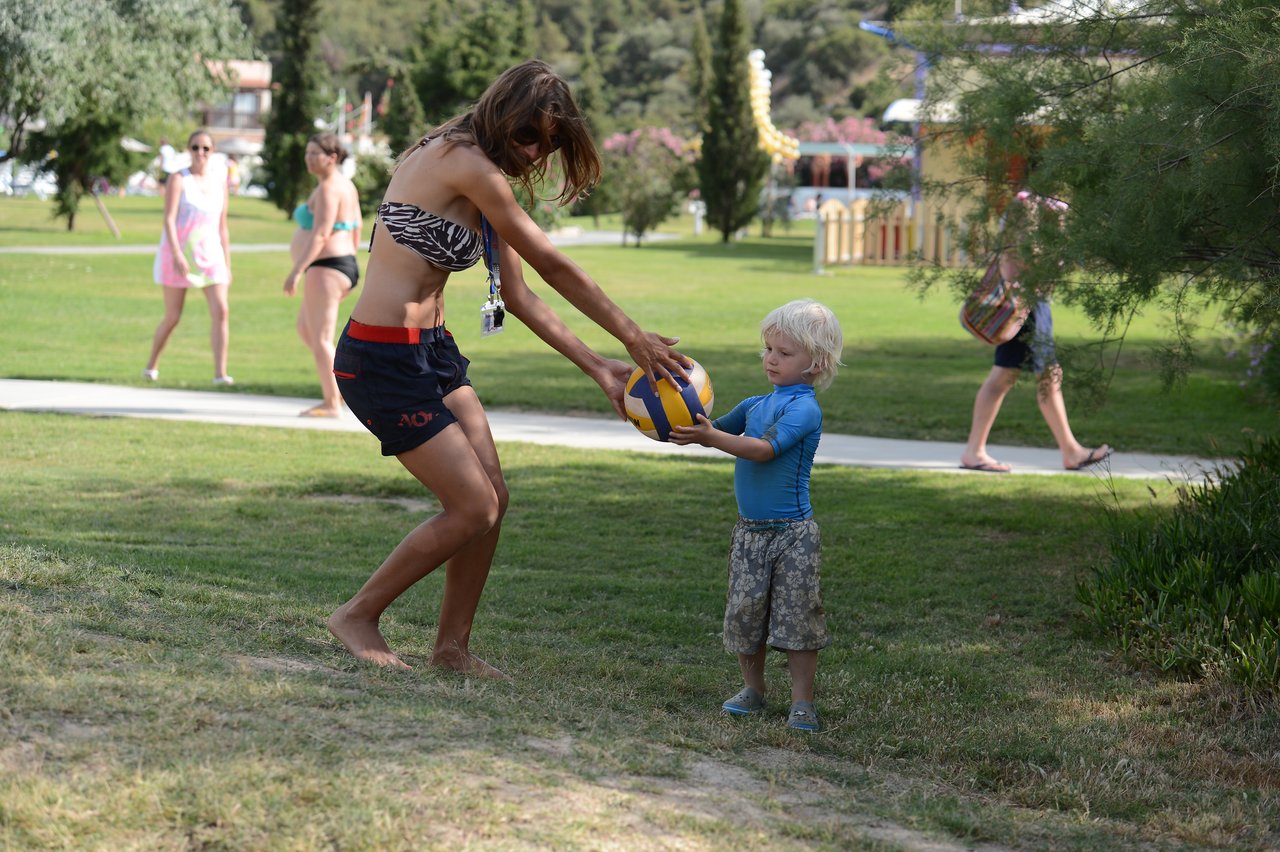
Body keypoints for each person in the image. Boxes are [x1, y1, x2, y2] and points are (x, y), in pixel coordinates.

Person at [326, 60, 688, 677]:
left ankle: (451, 649)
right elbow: (552, 262)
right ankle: (357, 615)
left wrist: (599, 367)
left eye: (547, 144)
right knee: (473, 507)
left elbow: (519, 296)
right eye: (528, 136)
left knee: (496, 497)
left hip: (431, 352)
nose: (535, 153)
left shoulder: (485, 173)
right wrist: (632, 337)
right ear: (501, 115)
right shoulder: (461, 161)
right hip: (381, 357)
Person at [670, 299, 844, 733]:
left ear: (816, 364)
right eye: (768, 349)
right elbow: (708, 424)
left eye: (784, 354)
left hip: (792, 535)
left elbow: (764, 450)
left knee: (797, 616)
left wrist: (711, 439)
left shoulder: (803, 409)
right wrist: (669, 406)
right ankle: (753, 690)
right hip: (749, 533)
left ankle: (802, 702)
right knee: (746, 612)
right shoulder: (754, 404)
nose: (771, 359)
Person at [959, 192, 1111, 473]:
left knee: (1036, 376)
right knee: (1014, 376)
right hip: (1025, 302)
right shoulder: (1029, 202)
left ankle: (1070, 450)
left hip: (1032, 301)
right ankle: (975, 451)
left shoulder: (1041, 201)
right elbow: (1018, 255)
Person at [143, 129, 234, 385]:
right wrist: (176, 254)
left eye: (205, 148)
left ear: (213, 152)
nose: (200, 153)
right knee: (173, 316)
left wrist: (227, 263)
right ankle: (151, 365)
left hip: (211, 254)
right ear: (188, 150)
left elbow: (222, 226)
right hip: (180, 254)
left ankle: (220, 373)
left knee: (221, 311)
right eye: (195, 148)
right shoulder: (179, 179)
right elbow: (169, 220)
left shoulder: (219, 183)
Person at [284, 133, 363, 417]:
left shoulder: (330, 188)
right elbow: (357, 227)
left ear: (332, 158)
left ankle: (333, 403)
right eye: (307, 152)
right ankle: (337, 390)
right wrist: (350, 265)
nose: (308, 158)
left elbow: (320, 234)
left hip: (328, 266)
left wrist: (296, 271)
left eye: (315, 153)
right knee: (307, 330)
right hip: (338, 265)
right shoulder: (344, 185)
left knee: (320, 337)